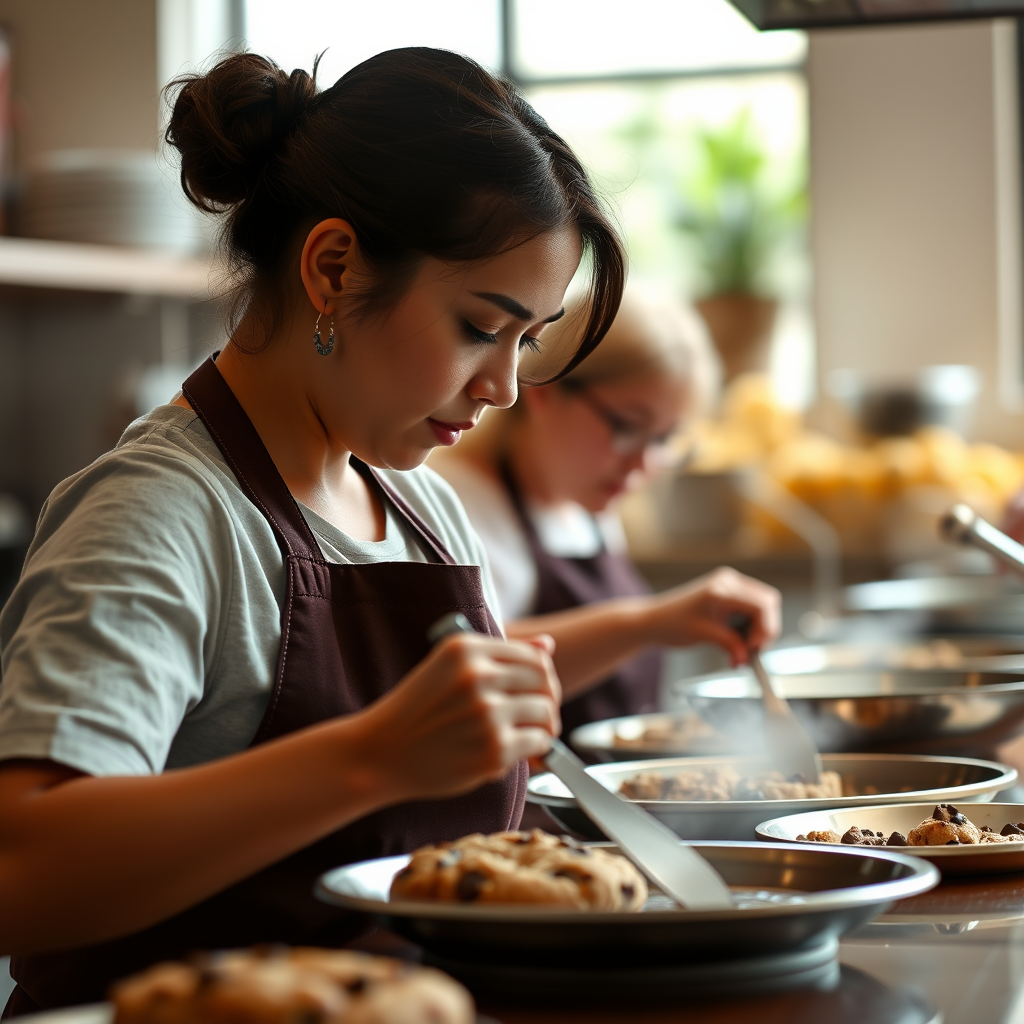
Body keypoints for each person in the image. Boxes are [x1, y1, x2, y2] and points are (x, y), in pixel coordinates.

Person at [0, 48, 620, 1011]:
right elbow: (22, 875)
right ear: (333, 268)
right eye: (478, 327)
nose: (502, 388)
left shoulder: (423, 509)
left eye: (526, 343)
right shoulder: (160, 513)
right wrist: (372, 755)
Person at [432, 289, 781, 736]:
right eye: (626, 427)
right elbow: (466, 672)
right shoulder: (457, 503)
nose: (643, 465)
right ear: (547, 387)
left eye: (664, 440)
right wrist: (650, 622)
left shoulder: (589, 507)